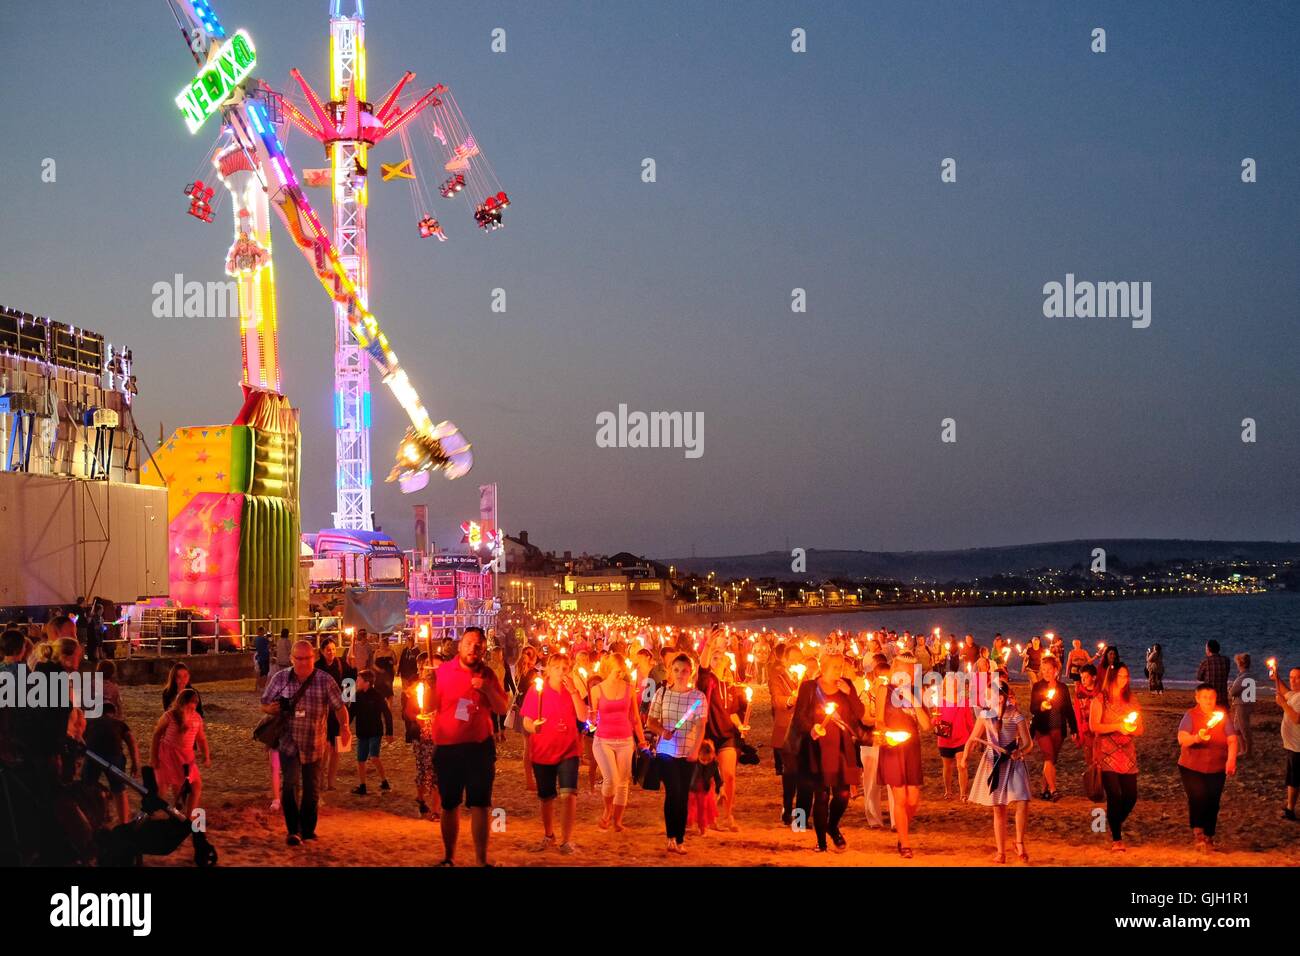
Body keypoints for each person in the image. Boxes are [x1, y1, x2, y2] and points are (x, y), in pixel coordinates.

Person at [428, 628, 511, 866]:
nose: (473, 649)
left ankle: (481, 860)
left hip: (479, 749)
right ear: (460, 645)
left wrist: (486, 689)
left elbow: (502, 708)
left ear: (483, 649)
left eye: (478, 645)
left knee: (480, 804)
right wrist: (426, 689)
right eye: (469, 643)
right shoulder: (442, 672)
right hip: (448, 748)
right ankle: (449, 856)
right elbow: (428, 705)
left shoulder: (488, 675)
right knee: (449, 804)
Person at [260, 640, 351, 845]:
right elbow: (264, 703)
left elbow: (339, 707)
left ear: (313, 658)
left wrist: (345, 727)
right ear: (292, 659)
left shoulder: (325, 680)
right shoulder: (280, 678)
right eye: (298, 658)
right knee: (290, 785)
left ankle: (308, 830)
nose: (303, 662)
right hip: (288, 742)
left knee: (312, 789)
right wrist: (271, 709)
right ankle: (294, 830)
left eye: (307, 658)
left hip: (314, 743)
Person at [787, 652, 865, 852]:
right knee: (820, 796)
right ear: (823, 667)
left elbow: (860, 713)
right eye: (835, 667)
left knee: (843, 795)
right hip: (817, 749)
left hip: (841, 748)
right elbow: (799, 717)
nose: (839, 671)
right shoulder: (809, 687)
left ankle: (832, 826)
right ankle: (821, 842)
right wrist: (811, 728)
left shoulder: (846, 685)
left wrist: (850, 694)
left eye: (841, 667)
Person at [522, 652, 587, 854]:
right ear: (548, 670)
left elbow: (583, 716)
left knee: (569, 795)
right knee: (547, 797)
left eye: (565, 668)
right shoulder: (536, 691)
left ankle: (566, 840)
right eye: (557, 668)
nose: (561, 672)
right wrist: (534, 727)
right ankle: (549, 835)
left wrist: (575, 692)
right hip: (543, 750)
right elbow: (526, 720)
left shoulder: (573, 690)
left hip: (569, 749)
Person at [965, 679, 1032, 863]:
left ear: (1001, 698)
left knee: (1022, 799)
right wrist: (964, 758)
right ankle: (1001, 851)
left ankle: (1019, 842)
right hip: (993, 762)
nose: (987, 698)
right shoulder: (985, 716)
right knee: (998, 808)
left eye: (990, 695)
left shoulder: (1016, 715)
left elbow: (1028, 743)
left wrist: (1020, 751)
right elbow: (973, 739)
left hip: (1013, 761)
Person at [647, 653, 707, 854]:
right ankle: (671, 837)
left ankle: (679, 838)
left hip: (687, 752)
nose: (680, 674)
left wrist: (695, 749)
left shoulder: (698, 697)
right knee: (673, 792)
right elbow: (651, 721)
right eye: (677, 670)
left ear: (690, 673)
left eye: (685, 671)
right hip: (666, 751)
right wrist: (661, 731)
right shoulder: (662, 693)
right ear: (671, 671)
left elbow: (701, 726)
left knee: (682, 796)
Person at [875, 656, 931, 858]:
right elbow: (878, 721)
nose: (906, 676)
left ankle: (901, 831)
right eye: (904, 671)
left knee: (913, 799)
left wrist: (914, 700)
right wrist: (887, 733)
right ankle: (905, 843)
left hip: (912, 748)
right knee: (900, 797)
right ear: (895, 670)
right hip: (893, 747)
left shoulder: (917, 692)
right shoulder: (884, 690)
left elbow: (926, 725)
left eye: (910, 672)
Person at [1176, 684, 1238, 852]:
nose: (1208, 701)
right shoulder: (1191, 715)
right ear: (1197, 698)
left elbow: (1232, 739)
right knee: (1198, 797)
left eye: (1211, 697)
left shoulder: (1222, 716)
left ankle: (1209, 835)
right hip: (1191, 766)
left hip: (1217, 767)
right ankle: (1198, 832)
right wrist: (1197, 737)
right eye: (1204, 697)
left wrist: (1231, 760)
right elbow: (1182, 739)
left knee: (1213, 801)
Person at [589, 653, 647, 832]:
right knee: (611, 779)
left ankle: (618, 821)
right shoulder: (596, 690)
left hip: (625, 739)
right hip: (603, 740)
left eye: (622, 671)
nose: (620, 674)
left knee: (623, 782)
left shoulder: (629, 688)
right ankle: (608, 810)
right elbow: (593, 720)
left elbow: (635, 717)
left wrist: (642, 740)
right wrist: (590, 718)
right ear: (608, 669)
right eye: (616, 670)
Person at [1089, 664, 1143, 851]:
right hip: (1106, 753)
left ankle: (1113, 822)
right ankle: (1116, 839)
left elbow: (1140, 728)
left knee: (1130, 796)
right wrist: (1118, 725)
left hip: (1127, 754)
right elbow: (1094, 726)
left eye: (1126, 676)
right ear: (1112, 678)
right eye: (1120, 676)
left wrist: (1131, 727)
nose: (1124, 680)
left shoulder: (1131, 700)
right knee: (1115, 795)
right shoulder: (1100, 699)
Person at [697, 636, 741, 831]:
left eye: (720, 658)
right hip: (709, 734)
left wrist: (741, 725)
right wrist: (708, 646)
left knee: (729, 775)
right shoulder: (708, 682)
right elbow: (703, 668)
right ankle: (710, 815)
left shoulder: (732, 687)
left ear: (726, 662)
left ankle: (728, 814)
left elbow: (733, 713)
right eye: (714, 658)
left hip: (727, 735)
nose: (717, 660)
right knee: (711, 778)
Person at [150, 687, 208, 818]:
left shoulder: (197, 718)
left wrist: (206, 755)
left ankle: (189, 818)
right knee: (162, 790)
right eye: (191, 702)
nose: (193, 705)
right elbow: (157, 735)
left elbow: (201, 738)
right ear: (182, 702)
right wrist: (153, 757)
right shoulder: (169, 716)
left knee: (196, 786)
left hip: (186, 757)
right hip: (168, 755)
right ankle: (148, 817)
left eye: (195, 702)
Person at [81, 701, 140, 826]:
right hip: (114, 756)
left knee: (87, 787)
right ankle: (124, 822)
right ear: (114, 713)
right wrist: (136, 763)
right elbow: (131, 741)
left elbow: (81, 739)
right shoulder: (120, 724)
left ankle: (87, 818)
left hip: (93, 756)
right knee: (119, 790)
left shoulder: (90, 723)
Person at [1028, 656, 1078, 801]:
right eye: (1043, 669)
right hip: (1042, 728)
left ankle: (1044, 790)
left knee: (1050, 761)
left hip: (1058, 729)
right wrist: (1041, 707)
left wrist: (1074, 729)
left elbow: (1069, 710)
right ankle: (1053, 790)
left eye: (1049, 669)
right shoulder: (1038, 687)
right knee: (1049, 756)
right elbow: (1032, 708)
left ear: (1056, 670)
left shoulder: (1062, 688)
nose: (1046, 672)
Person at [769, 644, 801, 824]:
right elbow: (777, 700)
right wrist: (790, 699)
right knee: (791, 773)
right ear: (786, 660)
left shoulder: (803, 677)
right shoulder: (778, 676)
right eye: (793, 659)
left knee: (802, 776)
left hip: (802, 731)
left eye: (799, 659)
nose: (796, 662)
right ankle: (787, 810)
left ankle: (800, 819)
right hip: (786, 730)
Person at [350, 669, 394, 795]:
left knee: (374, 757)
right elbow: (351, 713)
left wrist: (389, 732)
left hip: (375, 731)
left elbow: (387, 714)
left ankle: (384, 781)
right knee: (361, 759)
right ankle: (362, 785)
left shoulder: (377, 696)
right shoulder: (356, 695)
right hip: (362, 732)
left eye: (359, 680)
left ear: (367, 682)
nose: (356, 682)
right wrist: (344, 727)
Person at [934, 671, 976, 800]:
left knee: (961, 765)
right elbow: (935, 722)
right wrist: (935, 719)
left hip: (961, 739)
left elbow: (969, 721)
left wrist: (973, 738)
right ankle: (948, 791)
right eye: (949, 683)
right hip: (945, 739)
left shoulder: (964, 701)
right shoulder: (940, 702)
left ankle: (963, 793)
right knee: (947, 767)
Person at [858, 660, 889, 825]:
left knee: (893, 782)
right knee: (871, 782)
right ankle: (874, 819)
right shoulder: (865, 694)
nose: (885, 682)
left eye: (887, 678)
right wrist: (879, 720)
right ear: (875, 677)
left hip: (889, 741)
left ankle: (896, 821)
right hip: (870, 741)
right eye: (882, 678)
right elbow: (863, 718)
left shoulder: (894, 695)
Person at [315, 638, 347, 791]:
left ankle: (331, 782)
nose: (332, 652)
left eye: (334, 649)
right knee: (324, 749)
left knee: (336, 749)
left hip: (337, 712)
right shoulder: (316, 667)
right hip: (322, 712)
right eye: (328, 650)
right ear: (322, 651)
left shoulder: (340, 664)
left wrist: (348, 704)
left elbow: (349, 682)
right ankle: (319, 780)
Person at [1276, 665, 1300, 822]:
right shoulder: (1295, 694)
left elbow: (1297, 718)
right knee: (1293, 778)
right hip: (1293, 746)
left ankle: (1291, 809)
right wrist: (1276, 677)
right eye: (1291, 677)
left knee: (1294, 779)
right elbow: (1285, 691)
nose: (1293, 681)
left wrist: (1283, 704)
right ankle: (1290, 807)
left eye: (1297, 678)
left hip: (1298, 747)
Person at [688, 740, 723, 836]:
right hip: (692, 789)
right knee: (691, 808)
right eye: (703, 759)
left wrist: (720, 789)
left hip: (704, 791)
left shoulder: (714, 764)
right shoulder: (693, 761)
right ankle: (687, 825)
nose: (706, 762)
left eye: (709, 759)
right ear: (698, 754)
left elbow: (718, 778)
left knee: (703, 809)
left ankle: (702, 828)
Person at [1227, 654, 1254, 758]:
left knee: (1243, 727)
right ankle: (1243, 749)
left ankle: (1248, 751)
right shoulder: (1248, 676)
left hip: (1242, 705)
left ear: (1240, 664)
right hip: (1246, 704)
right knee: (1237, 728)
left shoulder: (1243, 677)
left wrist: (1229, 688)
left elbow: (1233, 692)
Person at [1197, 640, 1231, 708]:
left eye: (1206, 648)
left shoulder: (1205, 662)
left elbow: (1199, 677)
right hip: (1223, 698)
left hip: (1210, 698)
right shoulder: (1226, 660)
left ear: (1209, 649)